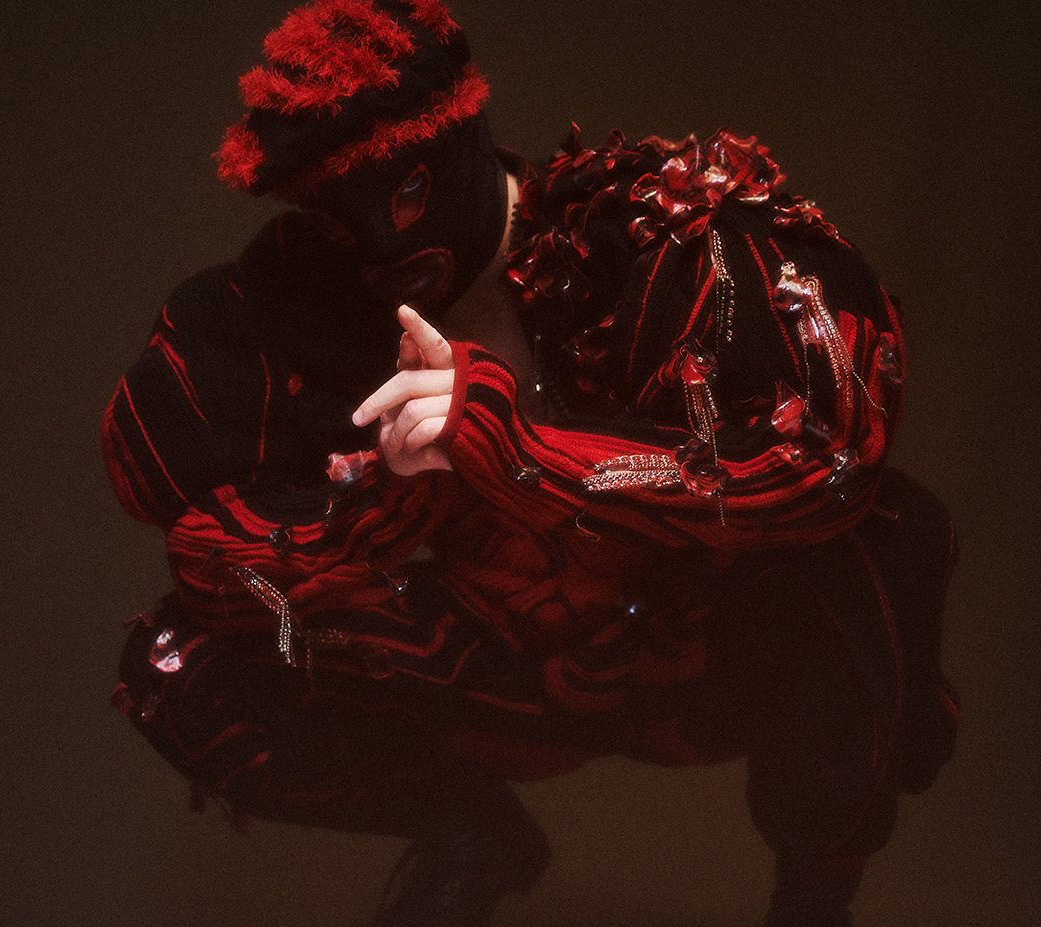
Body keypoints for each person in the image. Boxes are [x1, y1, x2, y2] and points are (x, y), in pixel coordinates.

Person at [102, 2, 959, 925]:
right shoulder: (299, 302)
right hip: (492, 663)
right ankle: (468, 833)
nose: (381, 247)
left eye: (405, 193)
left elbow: (833, 457)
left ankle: (815, 899)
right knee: (176, 662)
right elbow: (198, 547)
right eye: (334, 217)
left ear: (462, 139)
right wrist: (384, 506)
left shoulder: (656, 240)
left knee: (868, 551)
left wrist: (517, 450)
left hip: (697, 648)